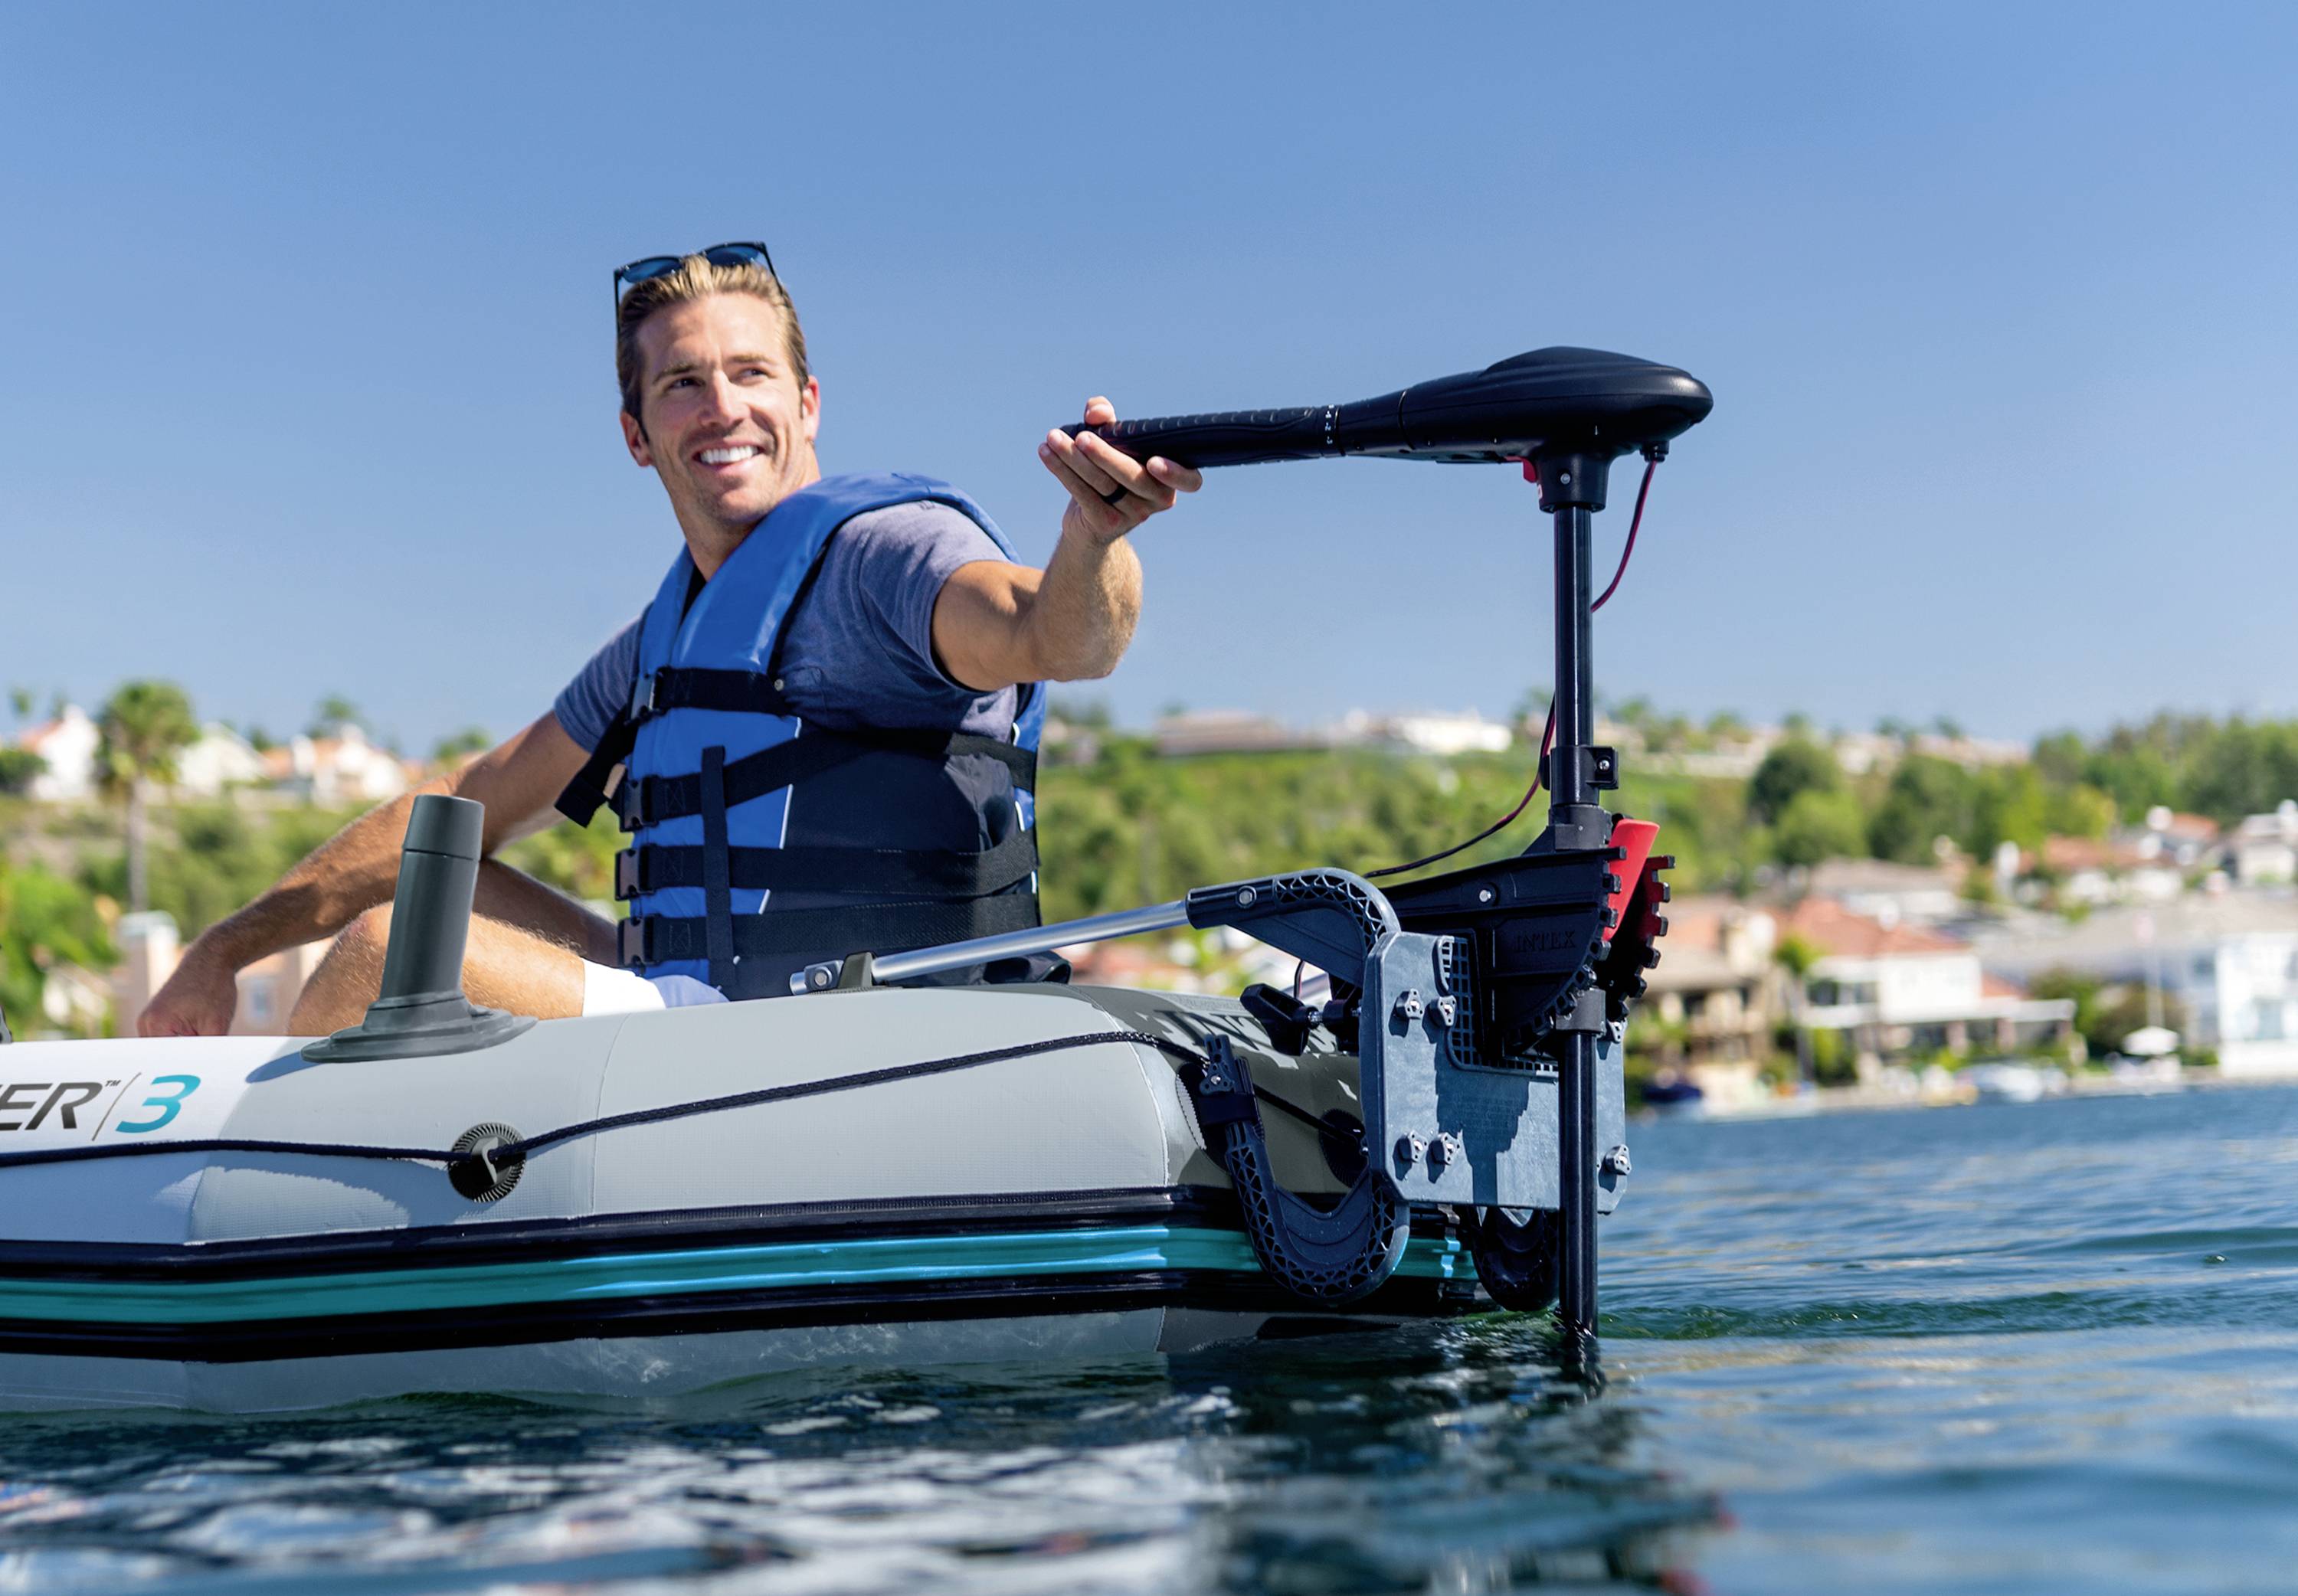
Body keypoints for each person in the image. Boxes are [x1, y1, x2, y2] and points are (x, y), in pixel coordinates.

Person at [139, 243, 1200, 1036]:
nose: (722, 406)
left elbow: (1055, 632)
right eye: (683, 383)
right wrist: (222, 949)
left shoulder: (889, 555)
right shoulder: (664, 638)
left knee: (384, 954)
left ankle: (256, 1217)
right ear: (636, 435)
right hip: (696, 1018)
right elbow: (459, 809)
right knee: (433, 872)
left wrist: (1095, 535)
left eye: (751, 374)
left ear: (808, 402)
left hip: (860, 1036)